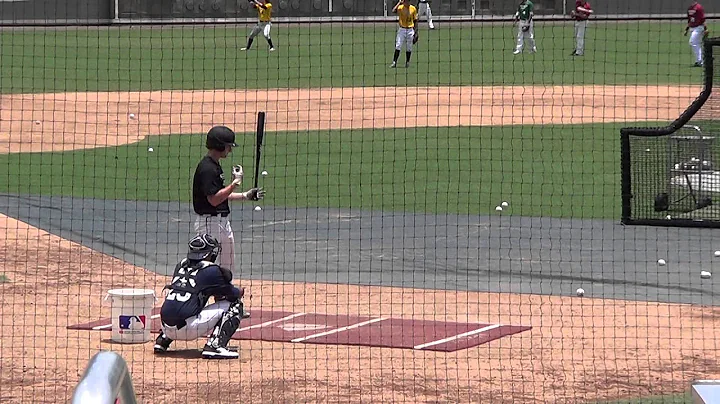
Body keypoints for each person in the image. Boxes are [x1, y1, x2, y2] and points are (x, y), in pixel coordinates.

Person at [154, 234, 247, 359]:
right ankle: (215, 346)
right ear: (208, 254)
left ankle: (163, 339)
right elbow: (233, 293)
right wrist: (239, 291)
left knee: (184, 302)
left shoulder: (180, 265)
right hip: (189, 330)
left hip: (165, 326)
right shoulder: (211, 270)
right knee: (235, 305)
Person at [192, 125, 265, 274]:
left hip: (222, 223)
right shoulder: (207, 168)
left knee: (227, 267)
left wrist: (246, 195)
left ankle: (226, 296)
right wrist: (234, 184)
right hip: (209, 224)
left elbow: (220, 195)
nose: (230, 150)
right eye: (227, 146)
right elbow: (213, 200)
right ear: (219, 146)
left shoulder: (215, 166)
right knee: (205, 266)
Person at [390, 0, 419, 68]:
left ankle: (407, 62)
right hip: (402, 29)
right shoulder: (400, 8)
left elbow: (415, 21)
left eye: (408, 1)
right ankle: (394, 62)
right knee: (398, 45)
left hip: (410, 30)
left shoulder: (413, 8)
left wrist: (416, 32)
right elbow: (393, 11)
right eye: (406, 1)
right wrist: (399, 3)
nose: (408, 2)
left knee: (409, 47)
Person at [685, 0, 707, 67]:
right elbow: (690, 20)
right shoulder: (689, 8)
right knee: (696, 43)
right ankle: (699, 61)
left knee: (693, 42)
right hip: (692, 28)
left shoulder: (699, 7)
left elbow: (702, 19)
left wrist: (706, 28)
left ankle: (700, 61)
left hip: (699, 27)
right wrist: (687, 29)